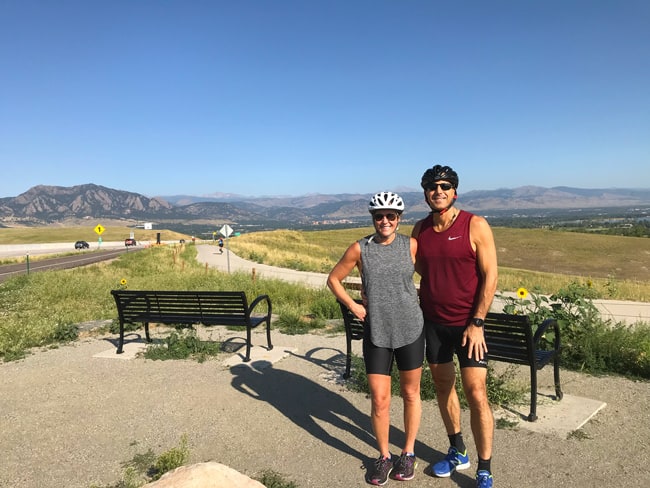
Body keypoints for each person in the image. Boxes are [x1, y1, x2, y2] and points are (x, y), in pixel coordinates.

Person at [327, 191, 425, 486]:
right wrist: (355, 306)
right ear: (372, 218)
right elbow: (333, 279)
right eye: (378, 216)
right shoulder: (360, 249)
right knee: (380, 400)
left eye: (390, 216)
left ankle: (408, 453)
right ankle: (383, 456)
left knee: (410, 394)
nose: (384, 221)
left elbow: (432, 275)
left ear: (399, 219)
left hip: (410, 328)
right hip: (376, 331)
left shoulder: (411, 245)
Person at [411, 165, 498, 488]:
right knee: (444, 388)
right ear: (425, 193)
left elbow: (491, 276)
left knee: (476, 392)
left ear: (455, 191)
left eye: (445, 186)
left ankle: (484, 467)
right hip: (433, 324)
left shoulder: (475, 225)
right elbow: (418, 270)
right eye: (432, 187)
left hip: (468, 326)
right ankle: (458, 450)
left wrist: (477, 322)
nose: (438, 191)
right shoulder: (420, 230)